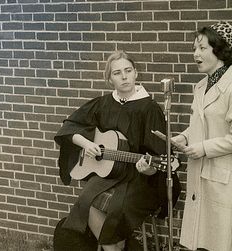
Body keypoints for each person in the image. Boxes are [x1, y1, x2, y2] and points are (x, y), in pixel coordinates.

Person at [53, 50, 181, 251]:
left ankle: (118, 246)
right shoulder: (103, 104)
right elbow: (69, 127)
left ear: (136, 73)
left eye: (128, 70)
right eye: (117, 73)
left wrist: (148, 169)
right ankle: (117, 247)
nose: (124, 76)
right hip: (109, 173)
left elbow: (159, 159)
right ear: (109, 78)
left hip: (141, 180)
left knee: (117, 208)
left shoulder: (149, 108)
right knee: (86, 200)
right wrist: (87, 144)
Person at [172, 21, 232, 251]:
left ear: (218, 51)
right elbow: (203, 124)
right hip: (202, 174)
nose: (196, 55)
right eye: (194, 49)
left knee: (218, 243)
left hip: (222, 177)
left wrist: (204, 148)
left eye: (202, 48)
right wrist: (185, 137)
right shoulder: (201, 86)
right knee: (199, 242)